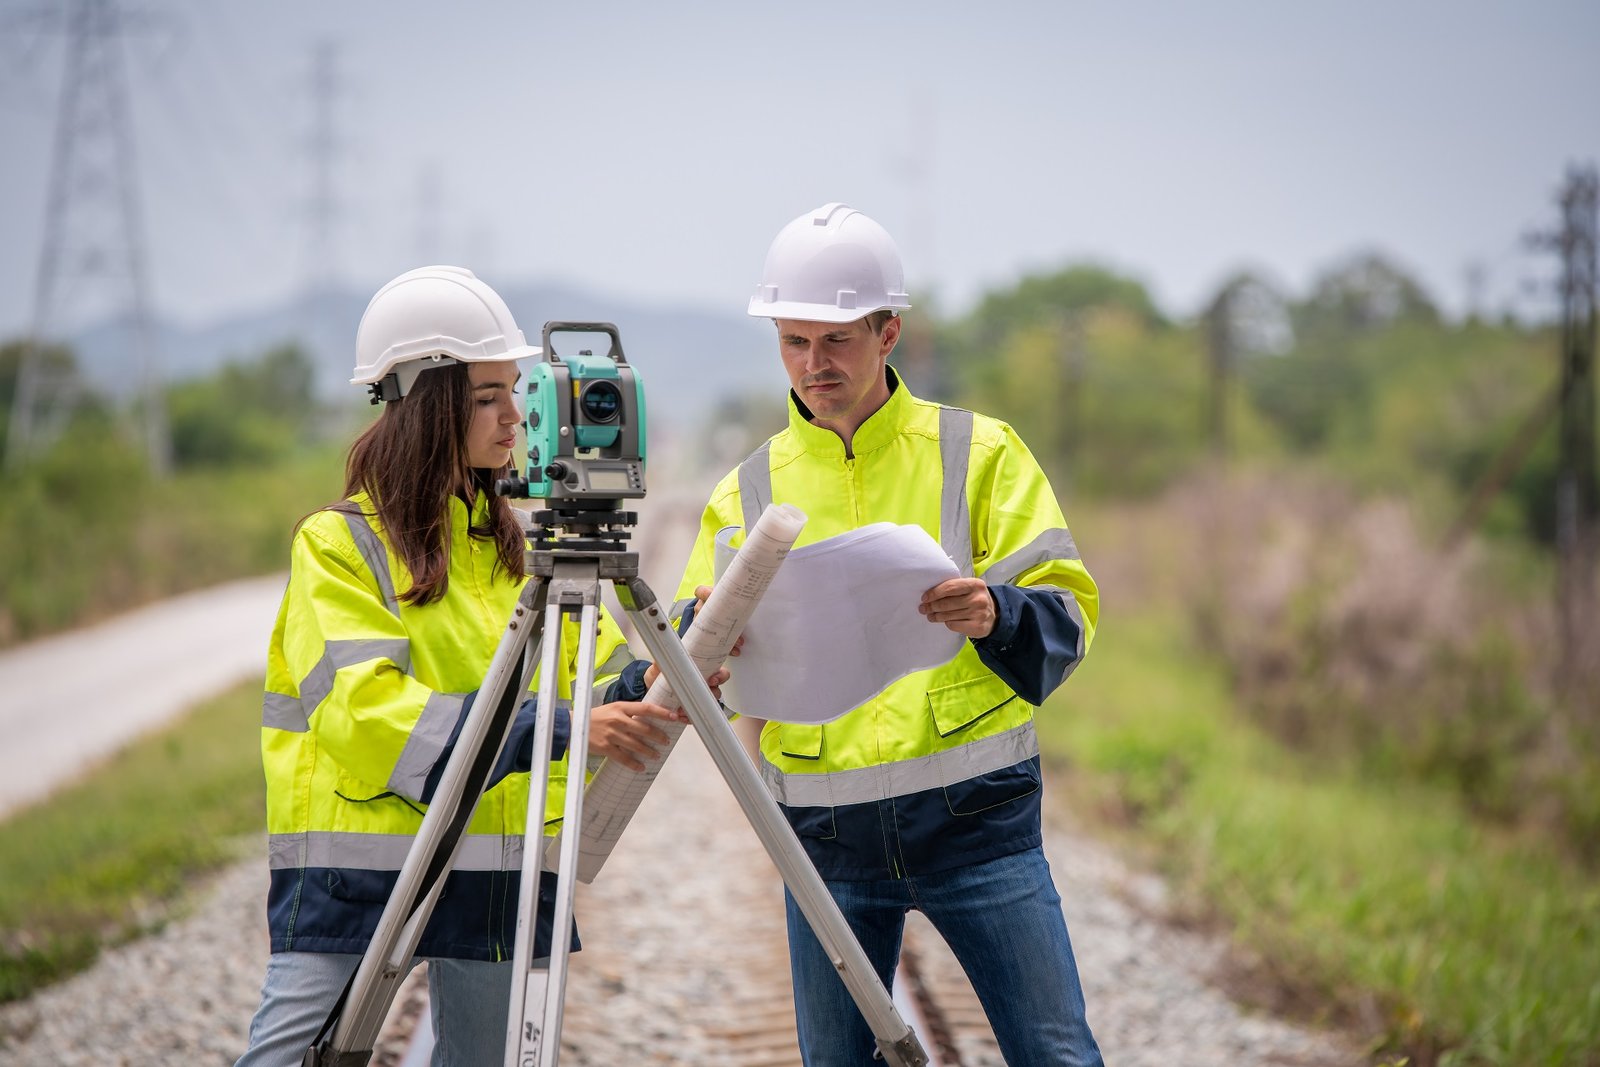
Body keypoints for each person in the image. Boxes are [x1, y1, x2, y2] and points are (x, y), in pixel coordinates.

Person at [237, 265, 722, 1066]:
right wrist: (566, 726)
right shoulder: (338, 545)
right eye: (488, 395)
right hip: (362, 874)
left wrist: (664, 669)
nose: (515, 416)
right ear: (429, 404)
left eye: (516, 391)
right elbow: (369, 716)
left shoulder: (513, 549)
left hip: (497, 865)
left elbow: (583, 679)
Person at [674, 205, 1103, 1066]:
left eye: (834, 340)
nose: (812, 364)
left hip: (976, 817)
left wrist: (997, 612)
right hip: (825, 838)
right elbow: (692, 647)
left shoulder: (980, 452)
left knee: (1055, 1052)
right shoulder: (747, 489)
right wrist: (711, 647)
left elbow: (1069, 611)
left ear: (888, 332)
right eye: (793, 342)